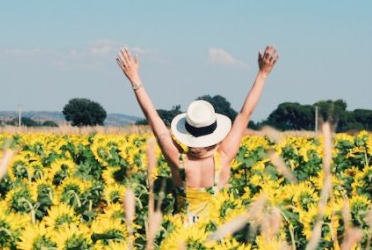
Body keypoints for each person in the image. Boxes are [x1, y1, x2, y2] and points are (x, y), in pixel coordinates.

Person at [116, 45, 279, 223]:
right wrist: (263, 74)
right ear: (215, 133)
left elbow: (153, 118)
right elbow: (245, 114)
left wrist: (134, 78)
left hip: (180, 234)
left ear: (186, 132)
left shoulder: (177, 159)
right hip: (216, 232)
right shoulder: (224, 157)